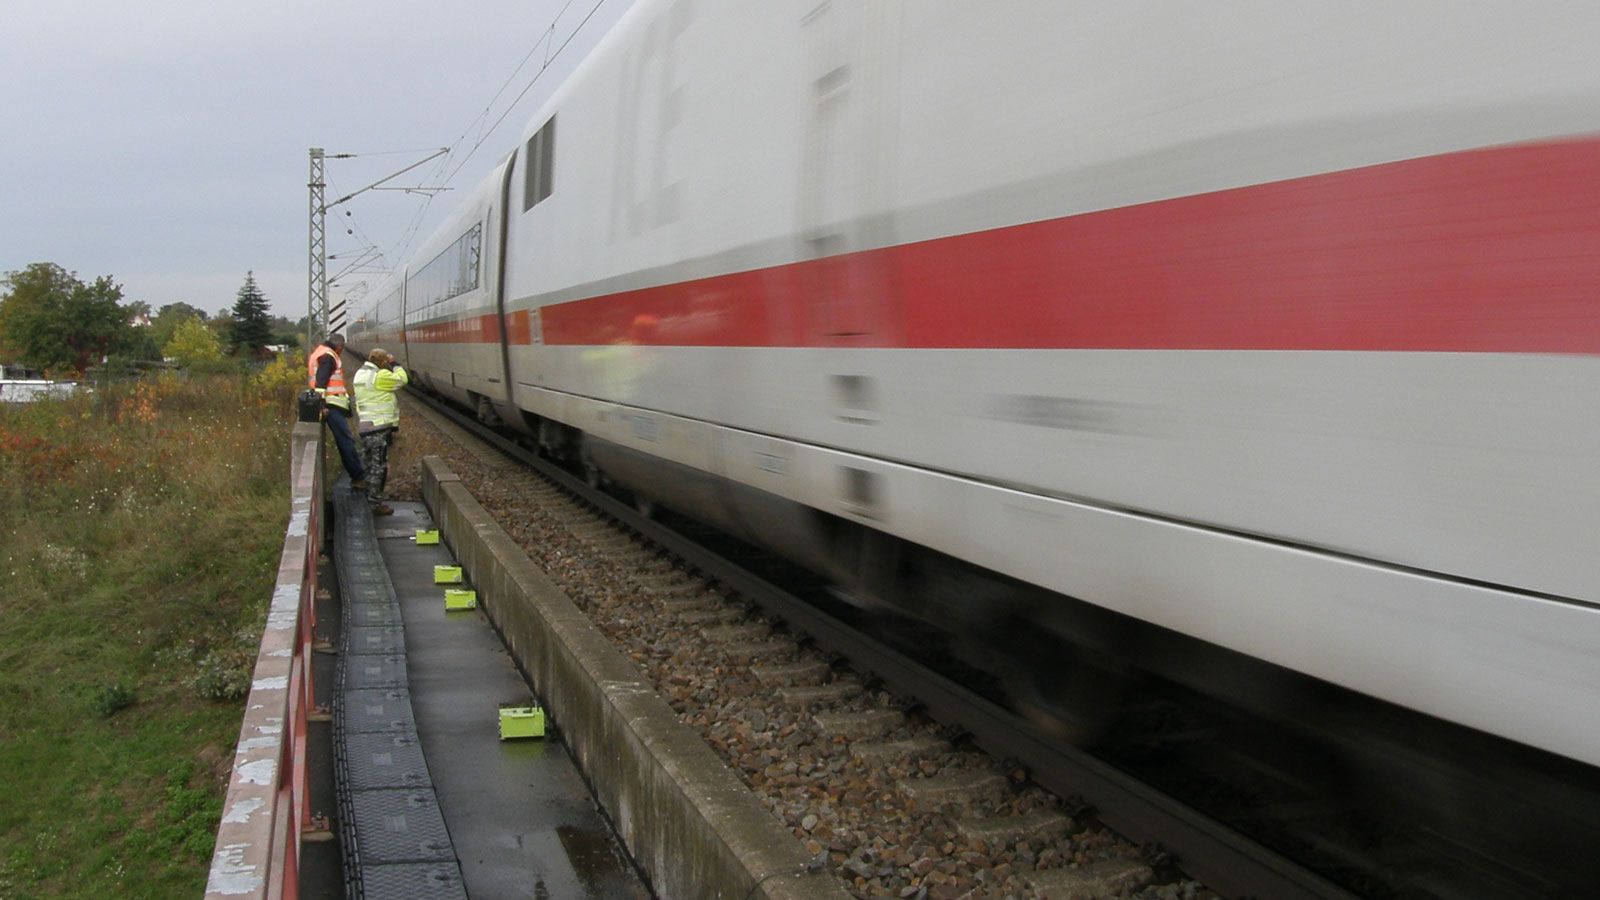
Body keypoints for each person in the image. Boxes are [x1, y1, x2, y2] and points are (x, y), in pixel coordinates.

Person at [352, 348, 409, 516]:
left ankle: (367, 498)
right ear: (382, 361)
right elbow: (402, 379)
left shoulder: (360, 374)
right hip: (378, 427)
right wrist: (394, 364)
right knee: (378, 467)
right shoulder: (380, 375)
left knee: (369, 464)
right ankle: (375, 503)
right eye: (385, 361)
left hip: (365, 426)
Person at [307, 333, 365, 489]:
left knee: (345, 440)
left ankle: (357, 475)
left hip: (330, 404)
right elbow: (321, 383)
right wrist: (321, 405)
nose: (342, 351)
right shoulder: (328, 356)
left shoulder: (320, 351)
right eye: (342, 348)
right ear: (339, 345)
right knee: (346, 441)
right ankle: (358, 477)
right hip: (331, 405)